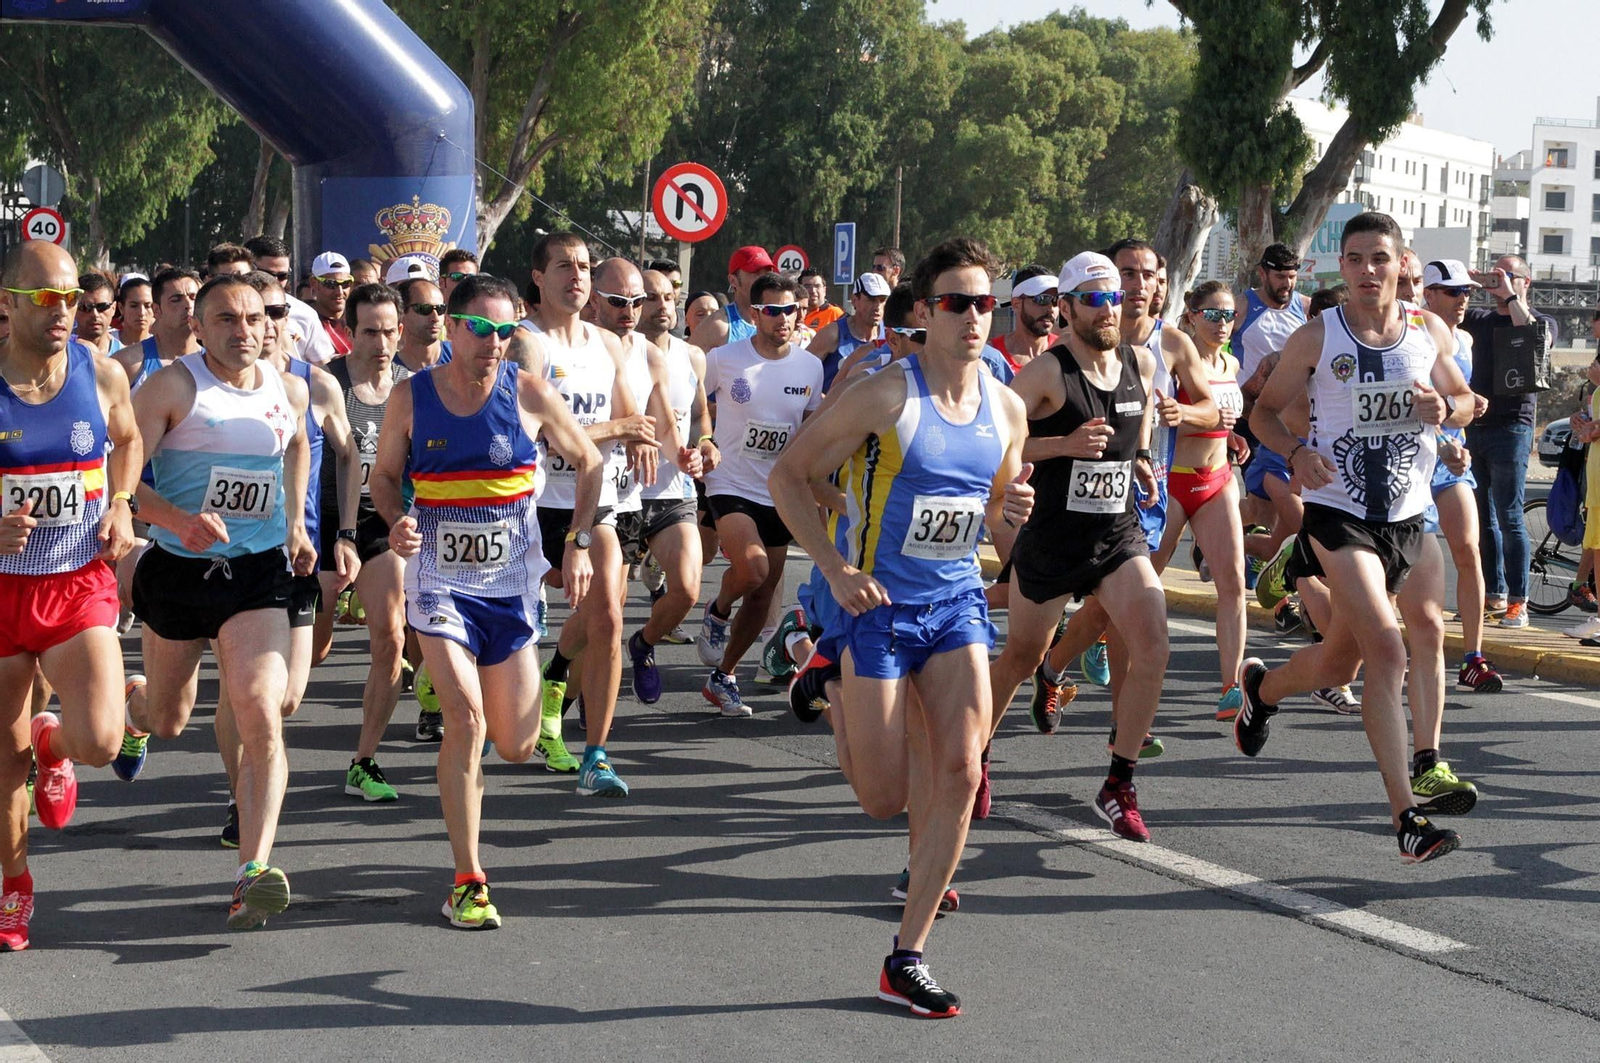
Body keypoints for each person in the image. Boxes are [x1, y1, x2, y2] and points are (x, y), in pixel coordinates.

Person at [770, 237, 1032, 1018]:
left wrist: (1005, 516)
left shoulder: (1007, 407)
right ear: (924, 311)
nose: (975, 317)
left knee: (961, 769)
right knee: (884, 796)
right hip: (876, 608)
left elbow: (988, 507)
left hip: (953, 603)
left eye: (987, 303)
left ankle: (906, 954)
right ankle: (826, 673)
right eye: (958, 303)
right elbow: (790, 476)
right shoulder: (887, 395)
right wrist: (837, 569)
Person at [1237, 211, 1474, 864]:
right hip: (1338, 515)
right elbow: (1263, 411)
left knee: (1340, 664)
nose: (1368, 271)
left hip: (1407, 516)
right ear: (1339, 267)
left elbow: (1466, 401)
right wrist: (1296, 451)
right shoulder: (1319, 336)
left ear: (1402, 264)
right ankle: (1407, 816)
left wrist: (1446, 416)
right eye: (1355, 259)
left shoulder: (1428, 334)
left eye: (1380, 258)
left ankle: (1262, 691)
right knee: (1389, 652)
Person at [372, 273, 604, 929]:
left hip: (511, 591)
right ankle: (468, 877)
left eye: (506, 332)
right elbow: (385, 478)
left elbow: (588, 460)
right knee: (467, 722)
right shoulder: (411, 398)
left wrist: (580, 542)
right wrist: (395, 520)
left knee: (516, 745)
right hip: (440, 587)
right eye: (481, 329)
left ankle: (467, 768)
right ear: (451, 328)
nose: (494, 344)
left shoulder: (528, 393)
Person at [127, 273, 317, 927]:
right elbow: (118, 482)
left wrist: (295, 524)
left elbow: (296, 446)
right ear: (199, 329)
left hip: (256, 577)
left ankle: (251, 872)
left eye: (252, 319)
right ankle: (132, 707)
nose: (242, 331)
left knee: (262, 710)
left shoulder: (289, 389)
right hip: (178, 572)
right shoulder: (172, 387)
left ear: (269, 325)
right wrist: (178, 520)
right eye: (225, 320)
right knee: (165, 717)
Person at [987, 251, 1169, 844]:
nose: (1109, 308)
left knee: (1154, 642)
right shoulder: (1047, 373)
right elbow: (997, 445)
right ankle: (976, 753)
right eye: (1094, 299)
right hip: (1052, 538)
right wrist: (1062, 443)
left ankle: (1119, 781)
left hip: (1117, 535)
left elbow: (1136, 424)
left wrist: (1139, 459)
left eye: (1115, 297)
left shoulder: (1140, 362)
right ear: (1066, 308)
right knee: (1019, 658)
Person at [0, 242, 142, 952]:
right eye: (46, 299)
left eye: (73, 300)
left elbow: (130, 438)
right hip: (1, 588)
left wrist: (120, 501)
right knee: (3, 757)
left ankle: (56, 742)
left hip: (76, 580)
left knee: (102, 739)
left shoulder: (101, 371)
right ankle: (16, 885)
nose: (64, 313)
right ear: (8, 302)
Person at [215, 269, 360, 845]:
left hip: (300, 556)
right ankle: (241, 799)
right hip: (231, 561)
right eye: (256, 314)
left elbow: (348, 458)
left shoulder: (315, 385)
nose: (267, 325)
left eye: (276, 314)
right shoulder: (207, 387)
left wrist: (345, 532)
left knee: (288, 697)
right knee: (246, 692)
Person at [512, 233, 653, 794]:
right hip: (528, 506)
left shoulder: (607, 343)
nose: (577, 276)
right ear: (538, 277)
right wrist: (617, 432)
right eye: (564, 267)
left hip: (590, 505)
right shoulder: (529, 343)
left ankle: (596, 753)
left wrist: (633, 434)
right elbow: (542, 435)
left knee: (609, 622)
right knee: (509, 636)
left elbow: (629, 417)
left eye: (585, 267)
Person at [697, 273, 823, 715]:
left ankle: (724, 675)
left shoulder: (809, 366)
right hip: (729, 482)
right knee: (751, 568)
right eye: (773, 310)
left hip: (778, 491)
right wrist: (705, 439)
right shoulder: (724, 359)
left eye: (790, 310)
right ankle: (716, 608)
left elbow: (809, 428)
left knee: (763, 593)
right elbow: (695, 403)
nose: (783, 318)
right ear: (754, 314)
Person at [313, 283, 414, 801]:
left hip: (380, 526)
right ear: (349, 332)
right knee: (313, 652)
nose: (380, 342)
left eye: (389, 331)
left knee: (390, 637)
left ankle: (364, 761)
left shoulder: (413, 388)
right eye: (369, 331)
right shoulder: (325, 383)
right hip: (321, 521)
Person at [1147, 281, 1249, 718]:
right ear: (1191, 315)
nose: (1223, 323)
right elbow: (1160, 422)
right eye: (1213, 314)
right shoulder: (1176, 362)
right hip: (1175, 479)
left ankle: (1232, 685)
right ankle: (1096, 636)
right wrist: (1205, 421)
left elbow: (1222, 420)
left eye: (1229, 315)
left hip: (1218, 479)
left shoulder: (1232, 361)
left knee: (1234, 583)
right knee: (1143, 582)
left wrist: (1232, 435)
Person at [626, 268, 715, 701]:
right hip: (619, 492)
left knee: (687, 589)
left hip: (671, 489)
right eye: (652, 298)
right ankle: (571, 682)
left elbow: (700, 416)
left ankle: (642, 644)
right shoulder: (614, 352)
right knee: (601, 611)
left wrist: (705, 443)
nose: (664, 306)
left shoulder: (692, 355)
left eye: (669, 297)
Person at [1419, 260, 1503, 690]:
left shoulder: (1466, 339)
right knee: (1402, 565)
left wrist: (1471, 405)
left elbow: (1460, 398)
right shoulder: (1412, 334)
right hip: (1410, 465)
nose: (1462, 299)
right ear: (1428, 294)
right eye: (1452, 292)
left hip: (1453, 464)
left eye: (1466, 291)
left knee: (1469, 550)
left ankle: (1473, 656)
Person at [1463, 254, 1557, 629]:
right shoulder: (1478, 319)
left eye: (1507, 276)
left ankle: (1520, 601)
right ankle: (1495, 595)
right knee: (1483, 519)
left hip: (1513, 428)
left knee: (1510, 516)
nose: (1497, 283)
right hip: (1475, 426)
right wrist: (1466, 286)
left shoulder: (1543, 320)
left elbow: (1536, 339)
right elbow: (1438, 321)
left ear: (1526, 282)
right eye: (1493, 275)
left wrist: (1509, 296)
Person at [243, 236, 336, 366]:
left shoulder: (305, 314)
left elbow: (323, 367)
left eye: (282, 276)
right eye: (267, 274)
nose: (274, 281)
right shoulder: (227, 309)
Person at [809, 273, 888, 392]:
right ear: (855, 300)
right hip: (834, 407)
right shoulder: (833, 333)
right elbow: (803, 373)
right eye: (871, 300)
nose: (877, 307)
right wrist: (818, 399)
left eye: (882, 300)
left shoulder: (890, 336)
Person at [688, 246, 772, 352]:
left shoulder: (779, 320)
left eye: (767, 274)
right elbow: (688, 365)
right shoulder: (718, 325)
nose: (763, 280)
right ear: (733, 280)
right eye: (755, 274)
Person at [984, 265, 1058, 382]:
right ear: (1016, 304)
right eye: (1042, 299)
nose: (1051, 309)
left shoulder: (1067, 351)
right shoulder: (990, 357)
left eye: (1056, 300)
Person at [394, 277, 452, 373]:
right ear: (401, 313)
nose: (435, 318)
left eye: (440, 308)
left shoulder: (462, 357)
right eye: (424, 309)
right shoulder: (388, 370)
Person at [309, 252, 355, 358]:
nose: (339, 291)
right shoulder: (307, 322)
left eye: (345, 284)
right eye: (331, 284)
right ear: (314, 283)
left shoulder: (357, 320)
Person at [73, 272, 121, 357]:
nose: (95, 314)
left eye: (102, 306)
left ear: (113, 308)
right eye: (86, 307)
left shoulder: (123, 357)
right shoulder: (61, 352)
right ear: (73, 309)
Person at [114, 274, 154, 349]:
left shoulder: (163, 347)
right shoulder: (106, 344)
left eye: (147, 306)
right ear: (121, 308)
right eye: (134, 306)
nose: (141, 312)